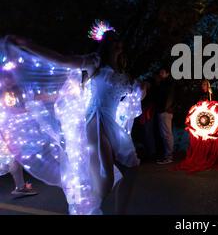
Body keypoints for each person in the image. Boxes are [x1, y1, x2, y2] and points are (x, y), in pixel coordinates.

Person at [2, 27, 146, 215]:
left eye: (119, 41)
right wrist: (28, 45)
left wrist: (141, 90)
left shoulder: (123, 73)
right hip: (96, 123)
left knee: (132, 168)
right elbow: (60, 59)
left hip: (114, 125)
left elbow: (135, 96)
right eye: (113, 40)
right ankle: (87, 204)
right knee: (106, 185)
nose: (118, 44)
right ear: (106, 45)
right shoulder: (94, 63)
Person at [155, 65, 176, 164]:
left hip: (165, 111)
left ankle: (169, 156)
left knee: (167, 134)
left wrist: (166, 108)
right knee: (165, 134)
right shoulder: (163, 83)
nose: (160, 74)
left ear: (168, 73)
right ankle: (167, 155)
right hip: (163, 111)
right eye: (160, 72)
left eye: (163, 72)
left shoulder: (167, 83)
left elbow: (169, 97)